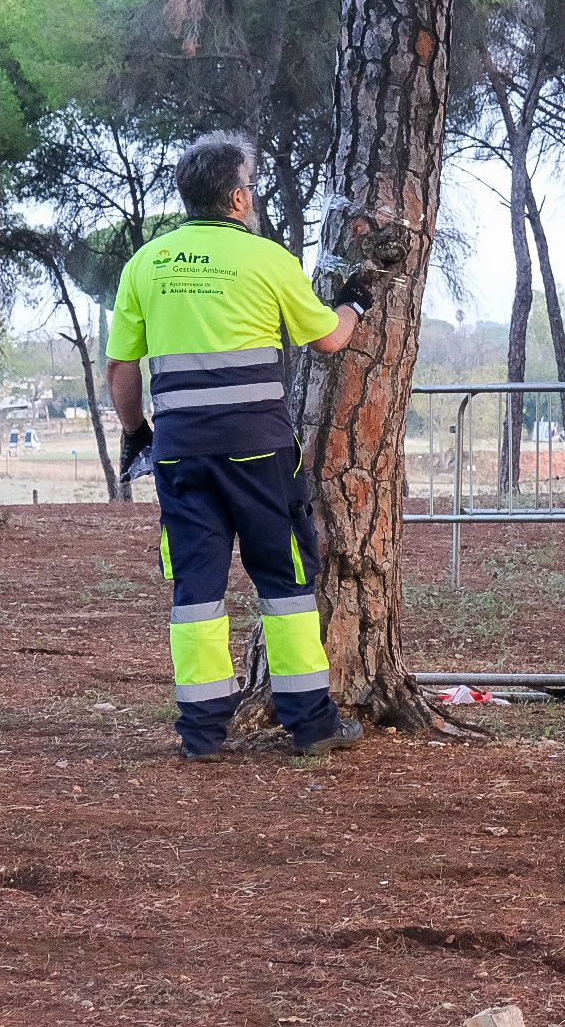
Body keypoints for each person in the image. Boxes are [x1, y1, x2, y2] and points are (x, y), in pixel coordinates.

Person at [105, 131, 375, 762]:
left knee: (194, 589)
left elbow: (122, 371)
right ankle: (311, 724)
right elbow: (330, 341)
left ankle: (201, 735)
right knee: (283, 580)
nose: (253, 196)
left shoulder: (146, 264)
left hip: (181, 455)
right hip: (260, 453)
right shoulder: (266, 259)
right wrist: (356, 302)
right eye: (249, 187)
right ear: (235, 198)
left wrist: (137, 434)